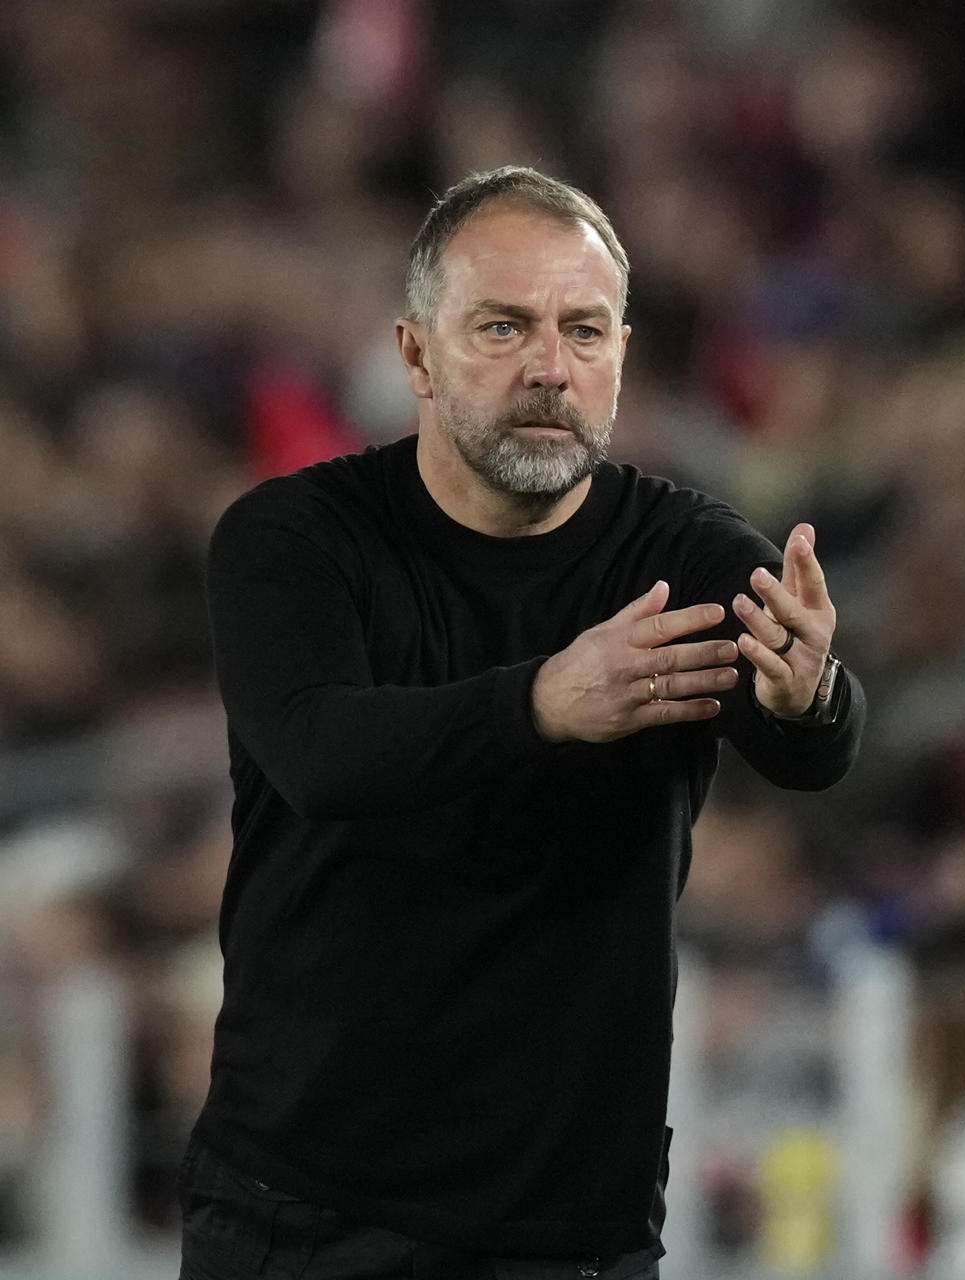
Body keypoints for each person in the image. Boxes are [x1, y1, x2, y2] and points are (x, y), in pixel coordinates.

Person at [178, 166, 865, 1280]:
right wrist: (545, 701)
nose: (551, 367)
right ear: (414, 353)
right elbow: (319, 752)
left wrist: (811, 697)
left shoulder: (682, 554)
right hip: (303, 1213)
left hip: (571, 1234)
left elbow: (811, 741)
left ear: (622, 357)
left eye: (584, 331)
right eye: (504, 327)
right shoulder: (294, 541)